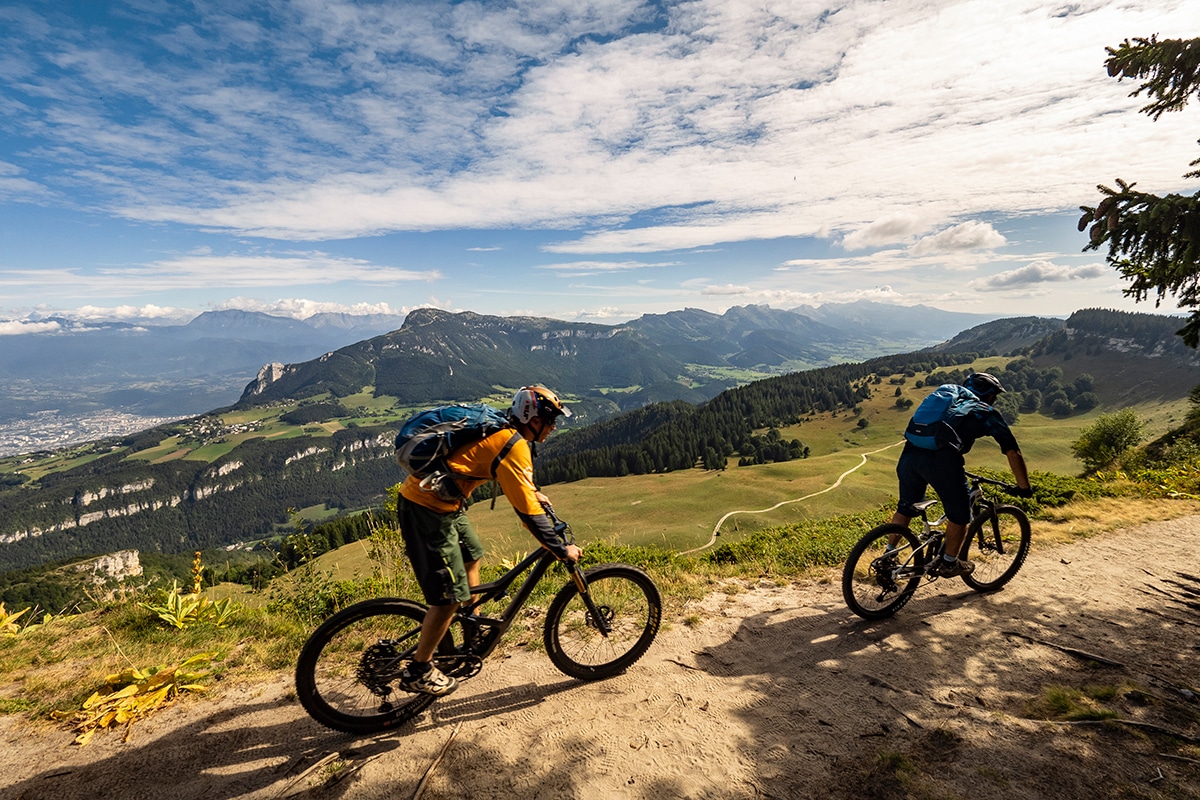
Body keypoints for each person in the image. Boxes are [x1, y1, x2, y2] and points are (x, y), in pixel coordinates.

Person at [395, 385, 582, 696]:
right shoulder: (514, 443)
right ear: (533, 420)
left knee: (472, 555)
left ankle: (472, 624)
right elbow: (528, 516)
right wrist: (561, 549)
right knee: (448, 597)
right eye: (550, 421)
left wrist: (531, 493)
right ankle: (420, 669)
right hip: (427, 511)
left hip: (443, 505)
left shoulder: (503, 428)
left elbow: (499, 470)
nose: (553, 427)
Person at [891, 372, 1033, 577]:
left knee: (906, 508)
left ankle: (888, 555)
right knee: (960, 515)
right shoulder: (985, 411)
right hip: (942, 463)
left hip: (910, 455)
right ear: (991, 396)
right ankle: (949, 563)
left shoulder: (946, 399)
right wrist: (1024, 487)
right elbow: (1012, 451)